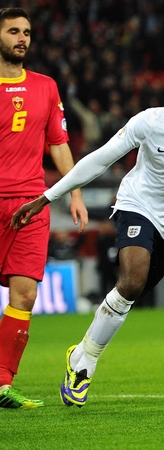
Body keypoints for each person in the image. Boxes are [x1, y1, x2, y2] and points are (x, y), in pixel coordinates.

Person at [11, 69, 164, 407]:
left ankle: (80, 351)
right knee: (131, 282)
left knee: (126, 297)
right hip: (137, 206)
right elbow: (101, 159)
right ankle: (85, 367)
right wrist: (49, 196)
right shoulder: (152, 123)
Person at [0, 7, 89, 409]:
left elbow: (57, 143)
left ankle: (1, 383)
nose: (22, 38)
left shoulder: (46, 87)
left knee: (25, 295)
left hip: (32, 203)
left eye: (27, 32)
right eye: (13, 31)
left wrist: (73, 191)